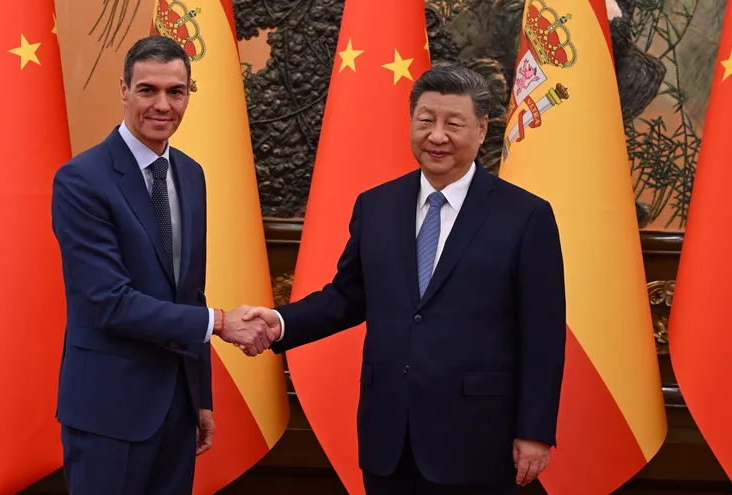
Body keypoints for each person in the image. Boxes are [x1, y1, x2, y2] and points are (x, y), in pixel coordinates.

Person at [243, 65, 567, 495]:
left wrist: (535, 431)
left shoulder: (525, 216)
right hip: (389, 436)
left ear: (482, 128)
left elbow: (543, 335)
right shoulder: (377, 206)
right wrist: (279, 323)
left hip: (477, 439)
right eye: (425, 120)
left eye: (453, 123)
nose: (437, 135)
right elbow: (347, 297)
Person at [50, 36, 275, 494]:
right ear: (124, 90)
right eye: (148, 89)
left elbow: (189, 292)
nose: (163, 105)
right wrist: (221, 324)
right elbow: (108, 302)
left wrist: (201, 398)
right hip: (108, 411)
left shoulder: (191, 174)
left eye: (177, 91)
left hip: (177, 408)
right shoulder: (81, 179)